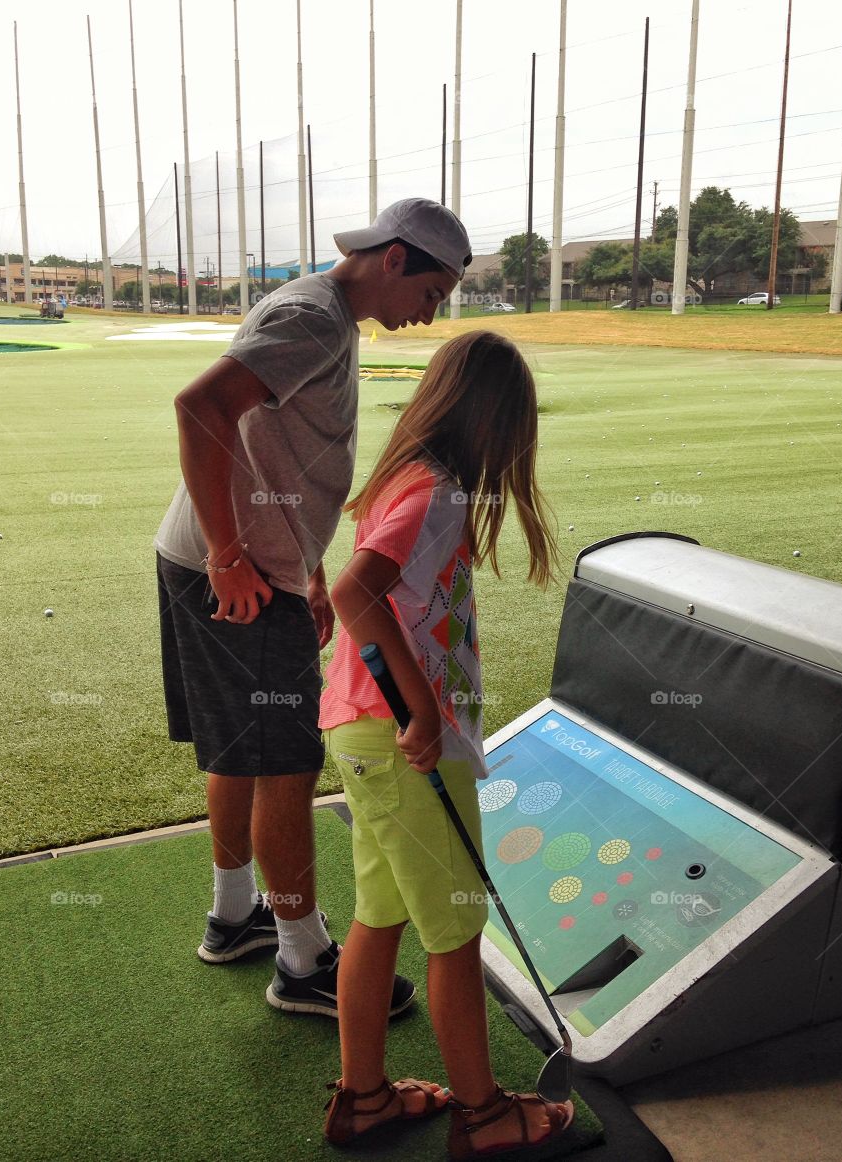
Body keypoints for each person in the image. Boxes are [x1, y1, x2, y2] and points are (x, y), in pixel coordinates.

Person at [154, 198, 472, 1018]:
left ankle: (235, 915)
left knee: (239, 751)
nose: (428, 315)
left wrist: (310, 564)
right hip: (233, 569)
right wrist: (233, 556)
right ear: (394, 260)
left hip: (246, 563)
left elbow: (277, 447)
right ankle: (301, 961)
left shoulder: (322, 313)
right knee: (286, 768)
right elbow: (201, 409)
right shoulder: (313, 317)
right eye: (432, 293)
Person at [318, 331, 573, 1156]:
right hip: (399, 739)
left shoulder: (413, 478)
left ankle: (364, 1100)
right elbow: (355, 590)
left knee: (379, 914)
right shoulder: (440, 494)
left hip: (362, 729)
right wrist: (422, 710)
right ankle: (485, 1115)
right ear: (493, 422)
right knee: (457, 926)